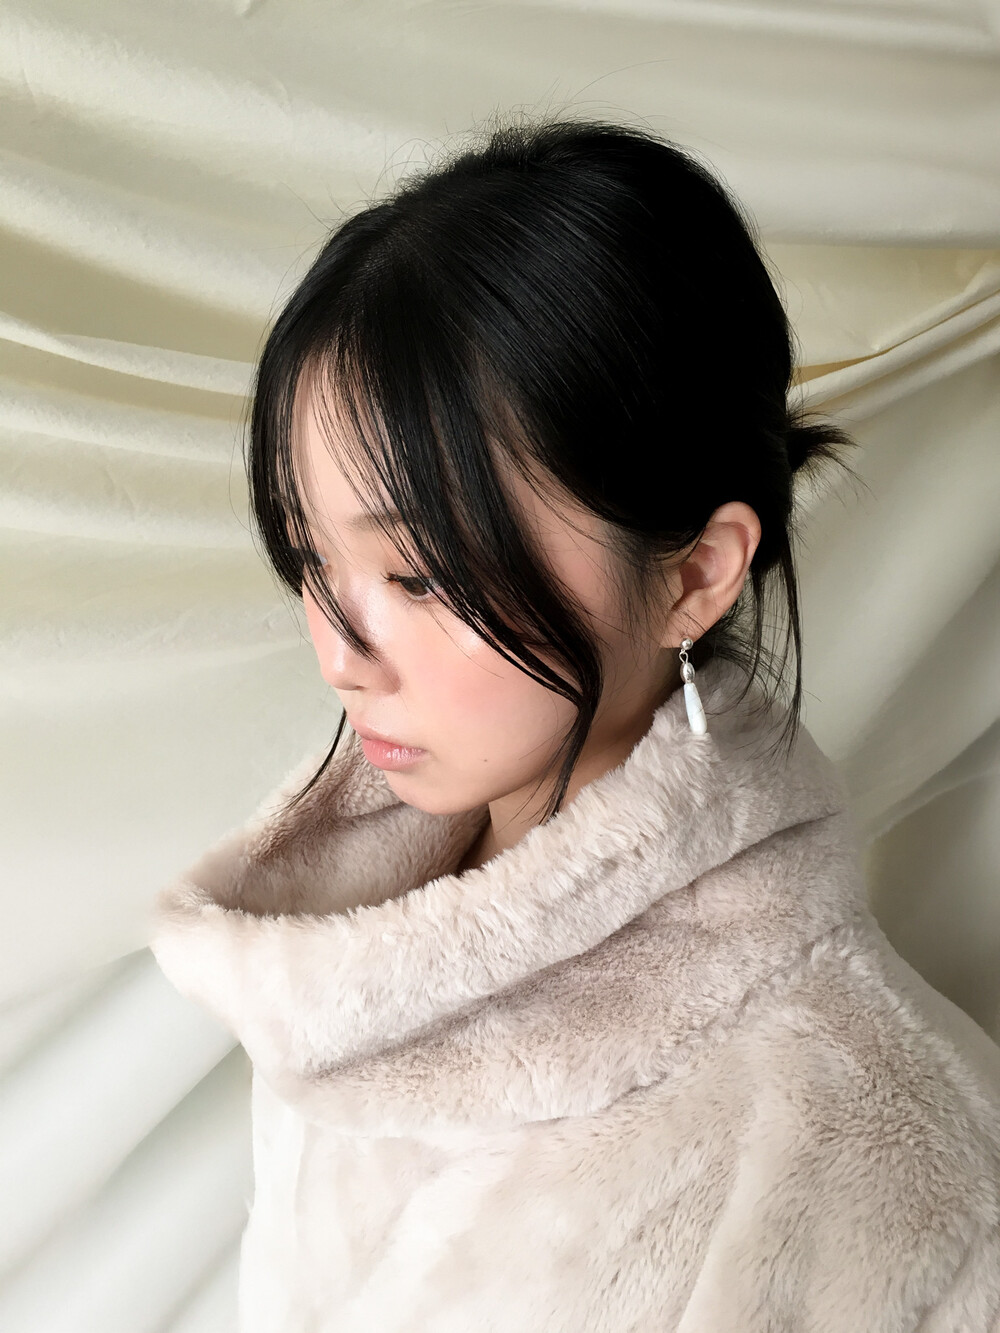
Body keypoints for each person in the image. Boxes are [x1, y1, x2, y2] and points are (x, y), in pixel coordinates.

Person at [149, 115, 1000, 1331]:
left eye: (418, 576)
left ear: (695, 575)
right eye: (310, 557)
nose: (338, 653)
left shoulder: (891, 1177)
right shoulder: (336, 967)